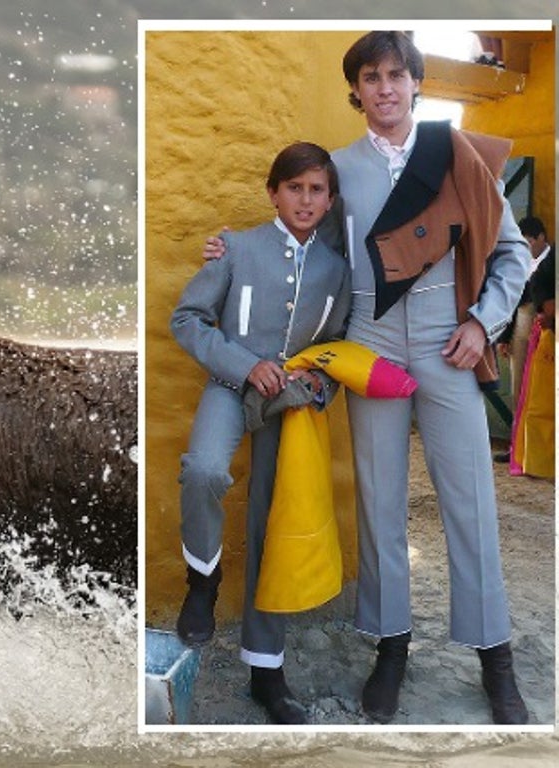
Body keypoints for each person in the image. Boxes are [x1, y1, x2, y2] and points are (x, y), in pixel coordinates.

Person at [204, 31, 532, 725]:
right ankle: (391, 646)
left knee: (469, 498)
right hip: (371, 339)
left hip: (451, 336)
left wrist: (483, 325)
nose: (385, 87)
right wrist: (233, 249)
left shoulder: (461, 155)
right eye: (371, 77)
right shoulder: (341, 169)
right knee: (382, 502)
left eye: (396, 75)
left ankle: (493, 654)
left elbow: (510, 257)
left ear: (416, 83)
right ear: (357, 90)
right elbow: (304, 244)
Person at [170, 142, 351, 725]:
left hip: (290, 403)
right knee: (202, 470)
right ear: (274, 192)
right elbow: (187, 318)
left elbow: (338, 348)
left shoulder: (337, 269)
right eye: (294, 187)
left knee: (273, 523)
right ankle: (203, 578)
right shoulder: (237, 248)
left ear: (329, 200)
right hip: (231, 382)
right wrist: (243, 364)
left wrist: (320, 389)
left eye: (316, 189)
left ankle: (266, 671)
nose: (305, 199)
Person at [494, 215, 552, 458]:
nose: (526, 246)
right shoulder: (522, 260)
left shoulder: (549, 260)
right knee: (519, 386)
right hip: (522, 322)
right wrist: (505, 336)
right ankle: (518, 448)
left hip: (544, 324)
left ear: (541, 238)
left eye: (529, 241)